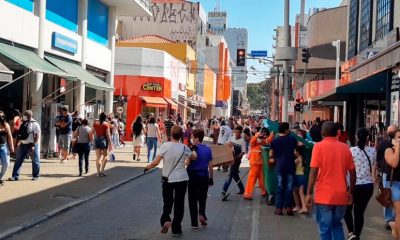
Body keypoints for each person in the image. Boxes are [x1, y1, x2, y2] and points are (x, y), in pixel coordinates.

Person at [306, 121, 356, 240]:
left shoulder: (318, 147)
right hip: (341, 195)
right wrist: (350, 192)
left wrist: (308, 193)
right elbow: (353, 173)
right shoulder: (345, 148)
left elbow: (313, 171)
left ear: (322, 132)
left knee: (324, 228)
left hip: (324, 195)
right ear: (336, 133)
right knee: (337, 225)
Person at [144, 126, 197, 236]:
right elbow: (193, 157)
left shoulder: (165, 146)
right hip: (182, 179)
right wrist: (194, 150)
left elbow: (156, 162)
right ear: (181, 136)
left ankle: (166, 220)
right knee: (179, 204)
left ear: (171, 135)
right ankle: (176, 229)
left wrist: (148, 167)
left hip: (167, 179)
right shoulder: (184, 148)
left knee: (167, 202)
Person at [344, 128, 377, 240]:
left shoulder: (351, 150)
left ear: (356, 137)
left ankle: (351, 232)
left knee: (347, 209)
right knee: (359, 212)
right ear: (368, 138)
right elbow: (373, 166)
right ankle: (357, 235)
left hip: (353, 185)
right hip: (367, 186)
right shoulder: (373, 151)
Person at [186, 129, 213, 228]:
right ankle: (202, 214)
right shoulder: (208, 149)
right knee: (202, 197)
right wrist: (211, 178)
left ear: (197, 138)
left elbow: (187, 162)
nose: (191, 139)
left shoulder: (192, 148)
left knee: (192, 199)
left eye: (193, 137)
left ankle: (194, 223)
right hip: (204, 176)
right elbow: (210, 165)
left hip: (192, 176)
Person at [270, 122, 297, 216]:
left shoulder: (274, 141)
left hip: (280, 166)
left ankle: (279, 209)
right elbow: (296, 151)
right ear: (286, 130)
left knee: (280, 187)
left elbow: (270, 154)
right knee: (289, 188)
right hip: (290, 166)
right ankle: (289, 208)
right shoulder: (292, 139)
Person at [9, 110, 41, 181]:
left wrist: (33, 145)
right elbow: (19, 134)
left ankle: (35, 175)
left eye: (25, 115)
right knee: (18, 160)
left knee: (35, 160)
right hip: (23, 144)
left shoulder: (35, 124)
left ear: (29, 116)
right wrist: (17, 143)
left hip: (31, 145)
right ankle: (15, 176)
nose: (23, 116)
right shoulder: (23, 123)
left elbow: (37, 135)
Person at [377, 125, 398, 230]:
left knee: (388, 196)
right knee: (388, 196)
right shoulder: (385, 144)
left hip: (387, 174)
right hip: (388, 174)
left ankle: (390, 220)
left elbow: (377, 158)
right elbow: (379, 157)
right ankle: (390, 220)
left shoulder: (382, 142)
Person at [244, 127, 270, 200]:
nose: (264, 134)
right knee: (252, 178)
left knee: (262, 179)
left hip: (261, 162)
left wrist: (271, 135)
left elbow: (267, 141)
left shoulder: (263, 141)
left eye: (265, 133)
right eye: (263, 132)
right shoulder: (256, 139)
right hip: (254, 162)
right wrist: (257, 136)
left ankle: (264, 191)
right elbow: (252, 142)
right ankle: (247, 194)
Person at [384, 129, 400, 239]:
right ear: (393, 139)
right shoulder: (389, 150)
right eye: (399, 137)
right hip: (395, 185)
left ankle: (395, 229)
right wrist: (398, 147)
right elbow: (394, 163)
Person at [222, 125, 246, 195]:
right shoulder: (231, 138)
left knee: (230, 174)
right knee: (235, 175)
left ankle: (224, 189)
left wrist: (237, 157)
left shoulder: (242, 141)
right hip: (230, 159)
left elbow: (243, 152)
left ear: (240, 133)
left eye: (238, 132)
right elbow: (226, 144)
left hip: (237, 161)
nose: (236, 134)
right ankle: (242, 189)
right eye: (235, 132)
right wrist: (229, 144)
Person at [91, 112, 112, 177]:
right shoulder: (106, 124)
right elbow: (108, 135)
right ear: (105, 117)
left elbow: (91, 132)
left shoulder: (95, 124)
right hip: (103, 140)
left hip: (96, 139)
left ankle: (98, 172)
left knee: (98, 157)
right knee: (105, 156)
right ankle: (102, 170)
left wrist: (92, 140)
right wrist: (110, 143)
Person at [292, 146, 307, 214]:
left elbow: (292, 167)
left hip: (298, 176)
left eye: (295, 151)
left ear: (298, 152)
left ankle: (300, 206)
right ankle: (302, 207)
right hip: (303, 176)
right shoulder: (303, 159)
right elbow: (304, 169)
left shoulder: (297, 159)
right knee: (300, 192)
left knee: (295, 192)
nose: (294, 152)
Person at [0, 111, 14, 185]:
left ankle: (1, 176)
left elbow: (9, 136)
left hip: (4, 147)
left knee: (6, 163)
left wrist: (11, 146)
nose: (1, 118)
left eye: (2, 116)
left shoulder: (6, 125)